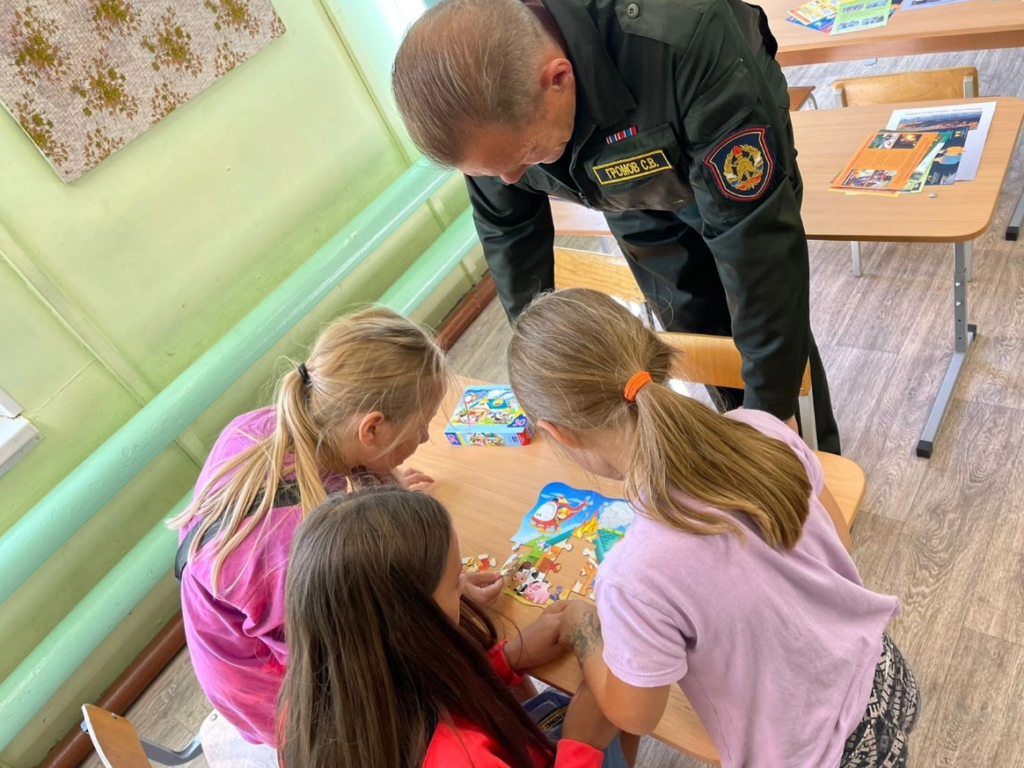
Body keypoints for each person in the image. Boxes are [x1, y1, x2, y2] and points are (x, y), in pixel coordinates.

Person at [391, 0, 841, 454]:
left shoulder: (682, 35)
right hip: (622, 179)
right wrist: (541, 354)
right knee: (694, 322)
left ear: (558, 79)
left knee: (768, 327)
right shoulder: (485, 108)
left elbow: (757, 246)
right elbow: (508, 229)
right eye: (493, 171)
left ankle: (814, 456)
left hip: (716, 108)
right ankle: (740, 433)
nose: (510, 180)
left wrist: (771, 410)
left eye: (524, 156)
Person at [506, 289, 920, 768]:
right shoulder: (762, 427)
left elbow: (635, 714)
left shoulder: (632, 576)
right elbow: (838, 544)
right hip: (884, 676)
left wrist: (581, 626)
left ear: (558, 432)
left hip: (821, 754)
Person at [169, 307, 501, 747]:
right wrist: (442, 597)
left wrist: (384, 481)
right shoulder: (307, 550)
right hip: (278, 697)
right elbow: (356, 658)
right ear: (372, 429)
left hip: (251, 641)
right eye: (421, 427)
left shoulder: (260, 425)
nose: (424, 439)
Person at [278, 486, 632, 768]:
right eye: (454, 582)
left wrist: (506, 659)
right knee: (622, 712)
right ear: (411, 621)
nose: (465, 587)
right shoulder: (464, 758)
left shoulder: (312, 702)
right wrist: (582, 744)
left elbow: (420, 691)